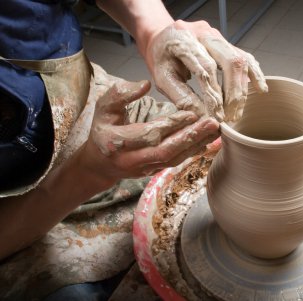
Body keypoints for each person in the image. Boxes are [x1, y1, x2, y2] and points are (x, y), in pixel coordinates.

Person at [0, 0, 267, 299]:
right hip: (18, 206)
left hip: (87, 103)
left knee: (219, 145)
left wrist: (154, 29)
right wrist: (89, 171)